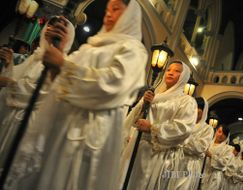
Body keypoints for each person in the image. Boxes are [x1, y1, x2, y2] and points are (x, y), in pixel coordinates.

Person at [5, 0, 148, 189]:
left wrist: (63, 65)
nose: (108, 14)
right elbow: (57, 80)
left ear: (130, 15)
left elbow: (112, 83)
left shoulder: (133, 49)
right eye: (107, 9)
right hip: (63, 123)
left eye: (116, 9)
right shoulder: (90, 47)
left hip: (91, 130)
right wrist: (58, 54)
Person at [0, 17, 75, 173]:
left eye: (58, 29)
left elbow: (42, 93)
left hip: (30, 124)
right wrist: (8, 65)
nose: (50, 30)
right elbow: (18, 79)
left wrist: (9, 83)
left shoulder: (61, 64)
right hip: (12, 119)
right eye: (49, 26)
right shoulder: (36, 56)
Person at [123, 60, 197, 189]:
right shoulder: (154, 96)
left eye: (177, 71)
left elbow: (183, 129)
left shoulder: (186, 101)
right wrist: (143, 105)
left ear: (184, 76)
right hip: (138, 147)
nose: (171, 73)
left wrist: (152, 127)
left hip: (159, 154)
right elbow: (135, 120)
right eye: (168, 70)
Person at [175, 97, 214, 189]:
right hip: (175, 160)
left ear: (204, 111)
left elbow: (200, 148)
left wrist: (181, 139)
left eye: (198, 108)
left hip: (190, 164)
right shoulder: (183, 123)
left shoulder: (207, 129)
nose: (195, 111)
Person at [200, 124, 232, 190]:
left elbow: (224, 163)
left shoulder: (228, 149)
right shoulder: (207, 143)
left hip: (214, 176)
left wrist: (211, 156)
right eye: (219, 132)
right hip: (202, 172)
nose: (220, 135)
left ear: (226, 136)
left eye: (223, 134)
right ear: (216, 131)